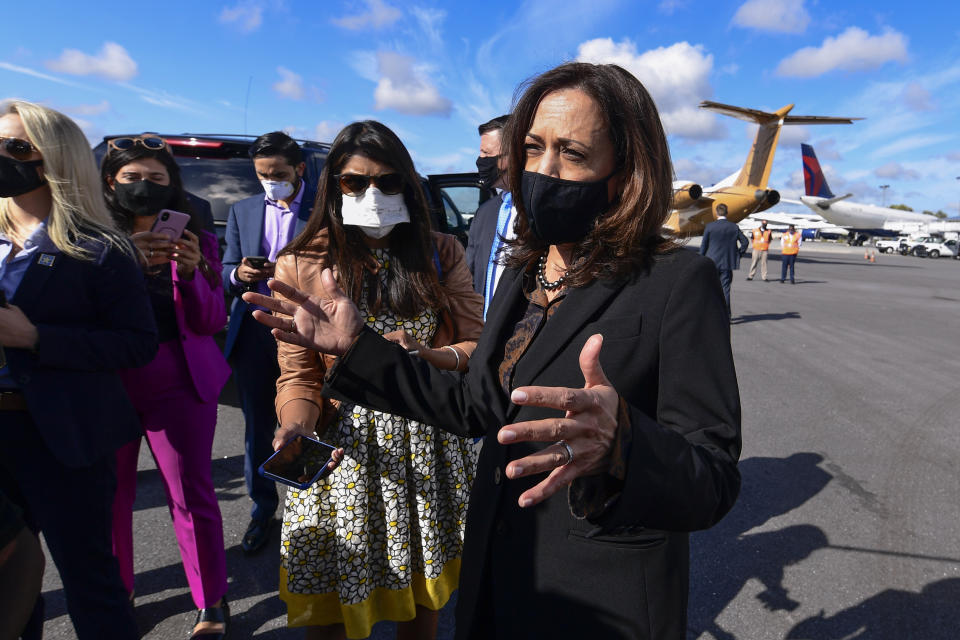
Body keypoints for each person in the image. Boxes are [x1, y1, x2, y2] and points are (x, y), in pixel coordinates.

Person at [246, 63, 742, 639]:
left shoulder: (678, 280)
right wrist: (358, 348)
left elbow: (714, 477)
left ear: (625, 170)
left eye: (573, 153)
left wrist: (624, 444)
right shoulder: (524, 270)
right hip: (498, 578)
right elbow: (473, 408)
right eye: (533, 148)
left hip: (601, 597)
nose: (545, 171)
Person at [261, 120, 482, 640]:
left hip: (425, 438)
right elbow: (297, 374)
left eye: (388, 181)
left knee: (419, 601)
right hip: (343, 453)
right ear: (333, 186)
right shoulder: (302, 260)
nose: (372, 194)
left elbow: (476, 343)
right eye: (354, 182)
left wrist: (426, 354)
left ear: (409, 183)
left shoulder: (439, 251)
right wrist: (295, 428)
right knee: (336, 599)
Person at [0, 101, 157, 640]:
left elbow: (137, 344)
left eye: (17, 147)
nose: (2, 158)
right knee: (7, 583)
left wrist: (38, 339)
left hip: (61, 434)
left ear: (58, 159)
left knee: (89, 583)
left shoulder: (100, 246)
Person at [100, 136, 231, 638]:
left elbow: (210, 318)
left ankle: (211, 601)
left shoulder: (196, 235)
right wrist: (124, 262)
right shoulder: (91, 237)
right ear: (111, 182)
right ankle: (119, 591)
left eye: (156, 178)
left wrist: (194, 271)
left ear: (172, 185)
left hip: (177, 378)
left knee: (190, 492)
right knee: (111, 494)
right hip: (108, 380)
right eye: (132, 177)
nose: (143, 187)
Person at [221, 131, 315, 554]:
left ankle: (308, 506)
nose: (270, 181)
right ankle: (263, 508)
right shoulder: (242, 210)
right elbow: (227, 265)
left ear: (300, 169)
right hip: (254, 332)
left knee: (307, 420)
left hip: (306, 331)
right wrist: (237, 275)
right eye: (262, 175)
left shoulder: (324, 208)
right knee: (257, 426)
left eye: (278, 174)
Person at [464, 115, 514, 317]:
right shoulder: (485, 213)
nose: (480, 161)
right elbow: (471, 275)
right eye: (480, 153)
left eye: (487, 153)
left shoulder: (540, 213)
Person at [699, 203, 749, 316]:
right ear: (726, 213)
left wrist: (700, 261)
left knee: (710, 289)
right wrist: (738, 254)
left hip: (711, 262)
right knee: (725, 290)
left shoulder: (710, 226)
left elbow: (703, 246)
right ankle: (726, 316)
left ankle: (710, 315)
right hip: (727, 263)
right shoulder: (733, 227)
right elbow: (745, 242)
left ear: (716, 213)